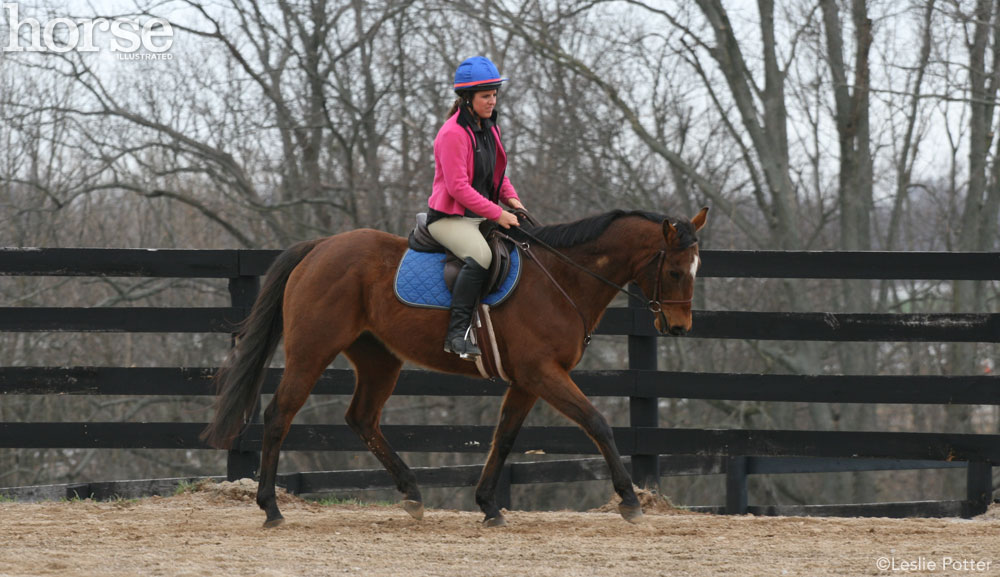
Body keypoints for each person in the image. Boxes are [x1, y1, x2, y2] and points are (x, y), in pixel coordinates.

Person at [427, 56, 524, 360]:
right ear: (466, 98)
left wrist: (514, 202)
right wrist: (498, 213)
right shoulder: (452, 133)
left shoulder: (489, 128)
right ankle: (456, 335)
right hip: (449, 219)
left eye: (494, 94)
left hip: (480, 215)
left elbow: (497, 175)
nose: (492, 101)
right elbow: (458, 188)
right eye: (485, 96)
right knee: (481, 256)